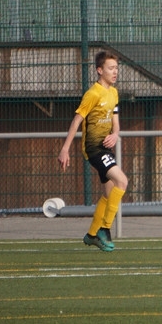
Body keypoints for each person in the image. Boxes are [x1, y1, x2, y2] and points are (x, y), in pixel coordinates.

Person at [57, 51, 128, 252]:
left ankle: (91, 235)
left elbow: (115, 121)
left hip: (106, 148)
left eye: (116, 68)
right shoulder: (93, 94)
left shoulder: (113, 93)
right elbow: (77, 120)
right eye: (110, 68)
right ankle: (105, 229)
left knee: (108, 194)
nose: (115, 72)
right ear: (99, 70)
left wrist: (115, 134)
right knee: (122, 181)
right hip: (94, 149)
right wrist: (65, 149)